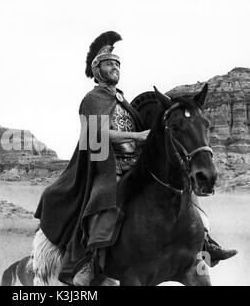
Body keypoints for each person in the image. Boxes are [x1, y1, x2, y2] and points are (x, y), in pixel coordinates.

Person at [34, 31, 237, 286]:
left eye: (118, 64)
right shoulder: (93, 99)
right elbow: (95, 134)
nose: (115, 67)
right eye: (109, 63)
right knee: (103, 202)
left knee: (182, 190)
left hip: (137, 164)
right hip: (109, 166)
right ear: (97, 70)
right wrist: (138, 137)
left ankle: (206, 243)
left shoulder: (122, 100)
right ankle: (87, 259)